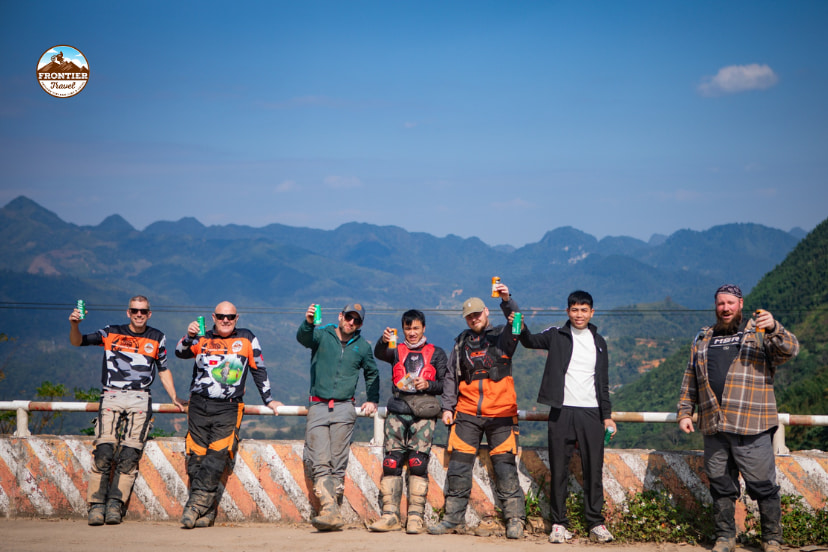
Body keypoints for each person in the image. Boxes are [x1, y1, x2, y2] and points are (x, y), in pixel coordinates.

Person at [678, 284, 799, 552]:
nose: (725, 308)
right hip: (714, 425)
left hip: (751, 425)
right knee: (721, 484)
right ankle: (725, 538)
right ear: (716, 306)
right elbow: (691, 379)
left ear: (741, 304)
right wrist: (685, 411)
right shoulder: (703, 337)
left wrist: (775, 327)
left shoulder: (758, 333)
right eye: (721, 303)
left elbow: (790, 350)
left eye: (730, 303)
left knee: (763, 485)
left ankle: (771, 538)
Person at [69, 295, 184, 526]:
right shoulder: (111, 332)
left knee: (130, 455)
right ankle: (96, 504)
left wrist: (174, 397)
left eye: (143, 311)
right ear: (128, 312)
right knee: (103, 451)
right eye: (134, 311)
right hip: (111, 395)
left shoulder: (157, 337)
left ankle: (115, 504)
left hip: (141, 398)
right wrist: (74, 324)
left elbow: (163, 370)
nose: (139, 315)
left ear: (149, 314)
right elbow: (77, 342)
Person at [429, 283, 525, 539]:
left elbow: (518, 323)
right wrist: (448, 407)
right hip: (468, 412)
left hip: (501, 413)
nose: (474, 319)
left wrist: (507, 300)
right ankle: (452, 519)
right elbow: (450, 376)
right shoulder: (461, 342)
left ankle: (515, 519)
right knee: (458, 466)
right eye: (469, 316)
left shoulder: (504, 335)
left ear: (486, 312)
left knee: (505, 466)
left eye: (477, 314)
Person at [518, 290, 615, 543]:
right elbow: (528, 341)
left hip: (592, 413)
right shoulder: (556, 336)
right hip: (561, 411)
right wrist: (513, 313)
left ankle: (596, 523)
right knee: (558, 469)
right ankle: (559, 523)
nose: (579, 314)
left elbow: (602, 383)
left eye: (584, 310)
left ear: (592, 312)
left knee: (594, 468)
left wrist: (607, 416)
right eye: (574, 309)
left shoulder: (599, 343)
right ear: (567, 312)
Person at [175, 301, 281, 529]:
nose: (225, 320)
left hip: (229, 407)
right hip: (198, 405)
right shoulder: (201, 336)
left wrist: (269, 400)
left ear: (237, 318)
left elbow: (259, 369)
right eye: (221, 316)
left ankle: (193, 507)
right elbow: (179, 352)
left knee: (217, 458)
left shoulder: (247, 338)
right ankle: (206, 512)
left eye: (230, 317)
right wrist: (188, 335)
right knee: (195, 459)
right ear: (213, 317)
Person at [297, 303, 379, 531]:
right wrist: (308, 322)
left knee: (337, 461)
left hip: (345, 407)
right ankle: (330, 509)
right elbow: (303, 339)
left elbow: (372, 372)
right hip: (318, 406)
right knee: (319, 459)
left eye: (356, 320)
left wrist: (373, 399)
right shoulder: (322, 334)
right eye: (349, 317)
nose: (351, 322)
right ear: (340, 316)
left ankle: (331, 511)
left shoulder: (362, 346)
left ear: (360, 324)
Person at [368, 310, 448, 534]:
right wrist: (382, 341)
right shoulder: (395, 349)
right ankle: (390, 515)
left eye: (416, 328)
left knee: (417, 462)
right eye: (408, 328)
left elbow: (445, 383)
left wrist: (428, 386)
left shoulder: (437, 353)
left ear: (423, 328)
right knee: (391, 462)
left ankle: (415, 517)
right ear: (402, 329)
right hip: (397, 411)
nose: (412, 333)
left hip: (424, 414)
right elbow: (379, 353)